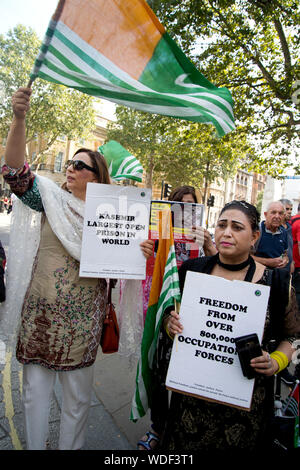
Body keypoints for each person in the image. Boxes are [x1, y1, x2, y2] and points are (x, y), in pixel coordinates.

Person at [0, 87, 154, 450]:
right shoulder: (50, 199)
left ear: (97, 177)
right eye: (70, 162)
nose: (70, 168)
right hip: (40, 317)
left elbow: (124, 269)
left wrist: (141, 251)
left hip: (83, 325)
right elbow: (15, 173)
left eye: (79, 165)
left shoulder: (119, 216)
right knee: (34, 398)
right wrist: (19, 119)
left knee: (77, 403)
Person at [156, 200, 300, 451]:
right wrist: (170, 324)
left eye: (236, 227)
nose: (226, 233)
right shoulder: (192, 271)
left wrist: (277, 360)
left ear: (254, 236)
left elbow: (294, 336)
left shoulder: (275, 282)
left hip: (245, 410)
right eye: (221, 225)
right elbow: (169, 314)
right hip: (190, 404)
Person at [137, 185, 216, 450]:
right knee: (160, 368)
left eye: (191, 206)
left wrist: (207, 243)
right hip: (163, 306)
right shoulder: (158, 231)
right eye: (179, 205)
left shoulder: (203, 237)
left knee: (185, 371)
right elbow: (144, 268)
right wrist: (144, 250)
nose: (184, 211)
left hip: (192, 310)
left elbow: (222, 267)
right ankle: (158, 427)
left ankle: (182, 426)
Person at [253, 201, 289, 269]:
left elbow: (284, 254)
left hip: (276, 276)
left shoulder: (283, 232)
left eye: (280, 213)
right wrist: (269, 262)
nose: (277, 216)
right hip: (257, 275)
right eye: (273, 212)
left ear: (284, 216)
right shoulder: (256, 231)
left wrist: (285, 260)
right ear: (265, 214)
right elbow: (246, 257)